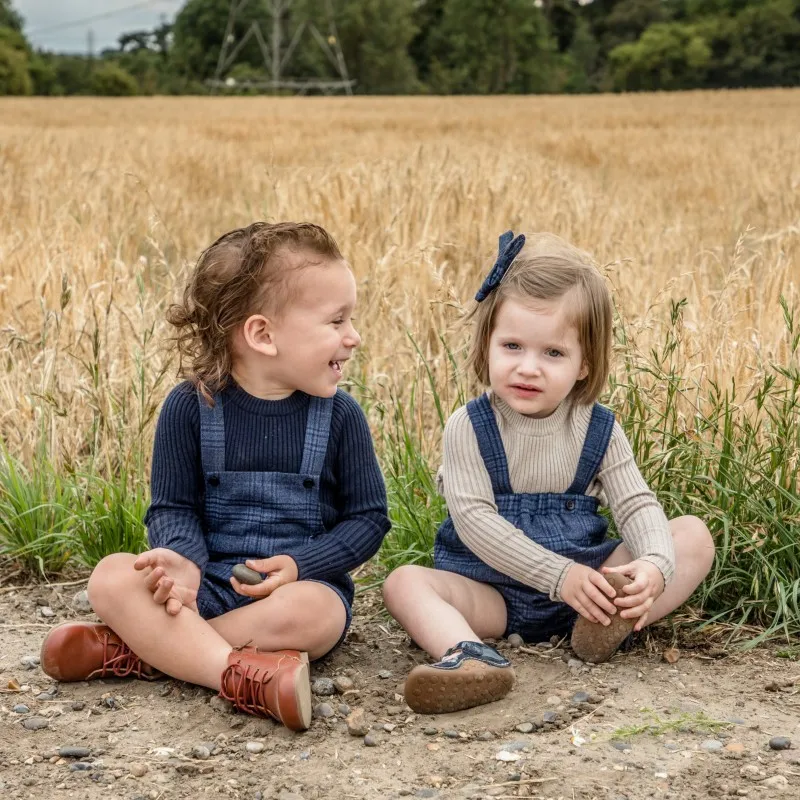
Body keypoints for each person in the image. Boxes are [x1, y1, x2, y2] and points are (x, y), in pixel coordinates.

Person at [40, 222, 391, 731]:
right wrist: (183, 562)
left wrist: (300, 563)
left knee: (319, 614)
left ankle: (148, 651)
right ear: (262, 335)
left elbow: (368, 520)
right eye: (337, 321)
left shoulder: (340, 416)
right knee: (111, 576)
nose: (353, 337)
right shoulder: (189, 407)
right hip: (205, 584)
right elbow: (172, 508)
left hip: (292, 595)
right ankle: (236, 674)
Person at [382, 231, 715, 715]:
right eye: (512, 346)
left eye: (553, 353)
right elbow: (476, 523)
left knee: (690, 537)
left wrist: (652, 568)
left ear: (584, 364)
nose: (528, 368)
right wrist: (559, 576)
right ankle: (470, 654)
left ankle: (609, 624)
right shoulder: (469, 427)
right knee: (404, 583)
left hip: (590, 591)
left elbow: (637, 504)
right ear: (488, 344)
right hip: (492, 594)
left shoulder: (598, 428)